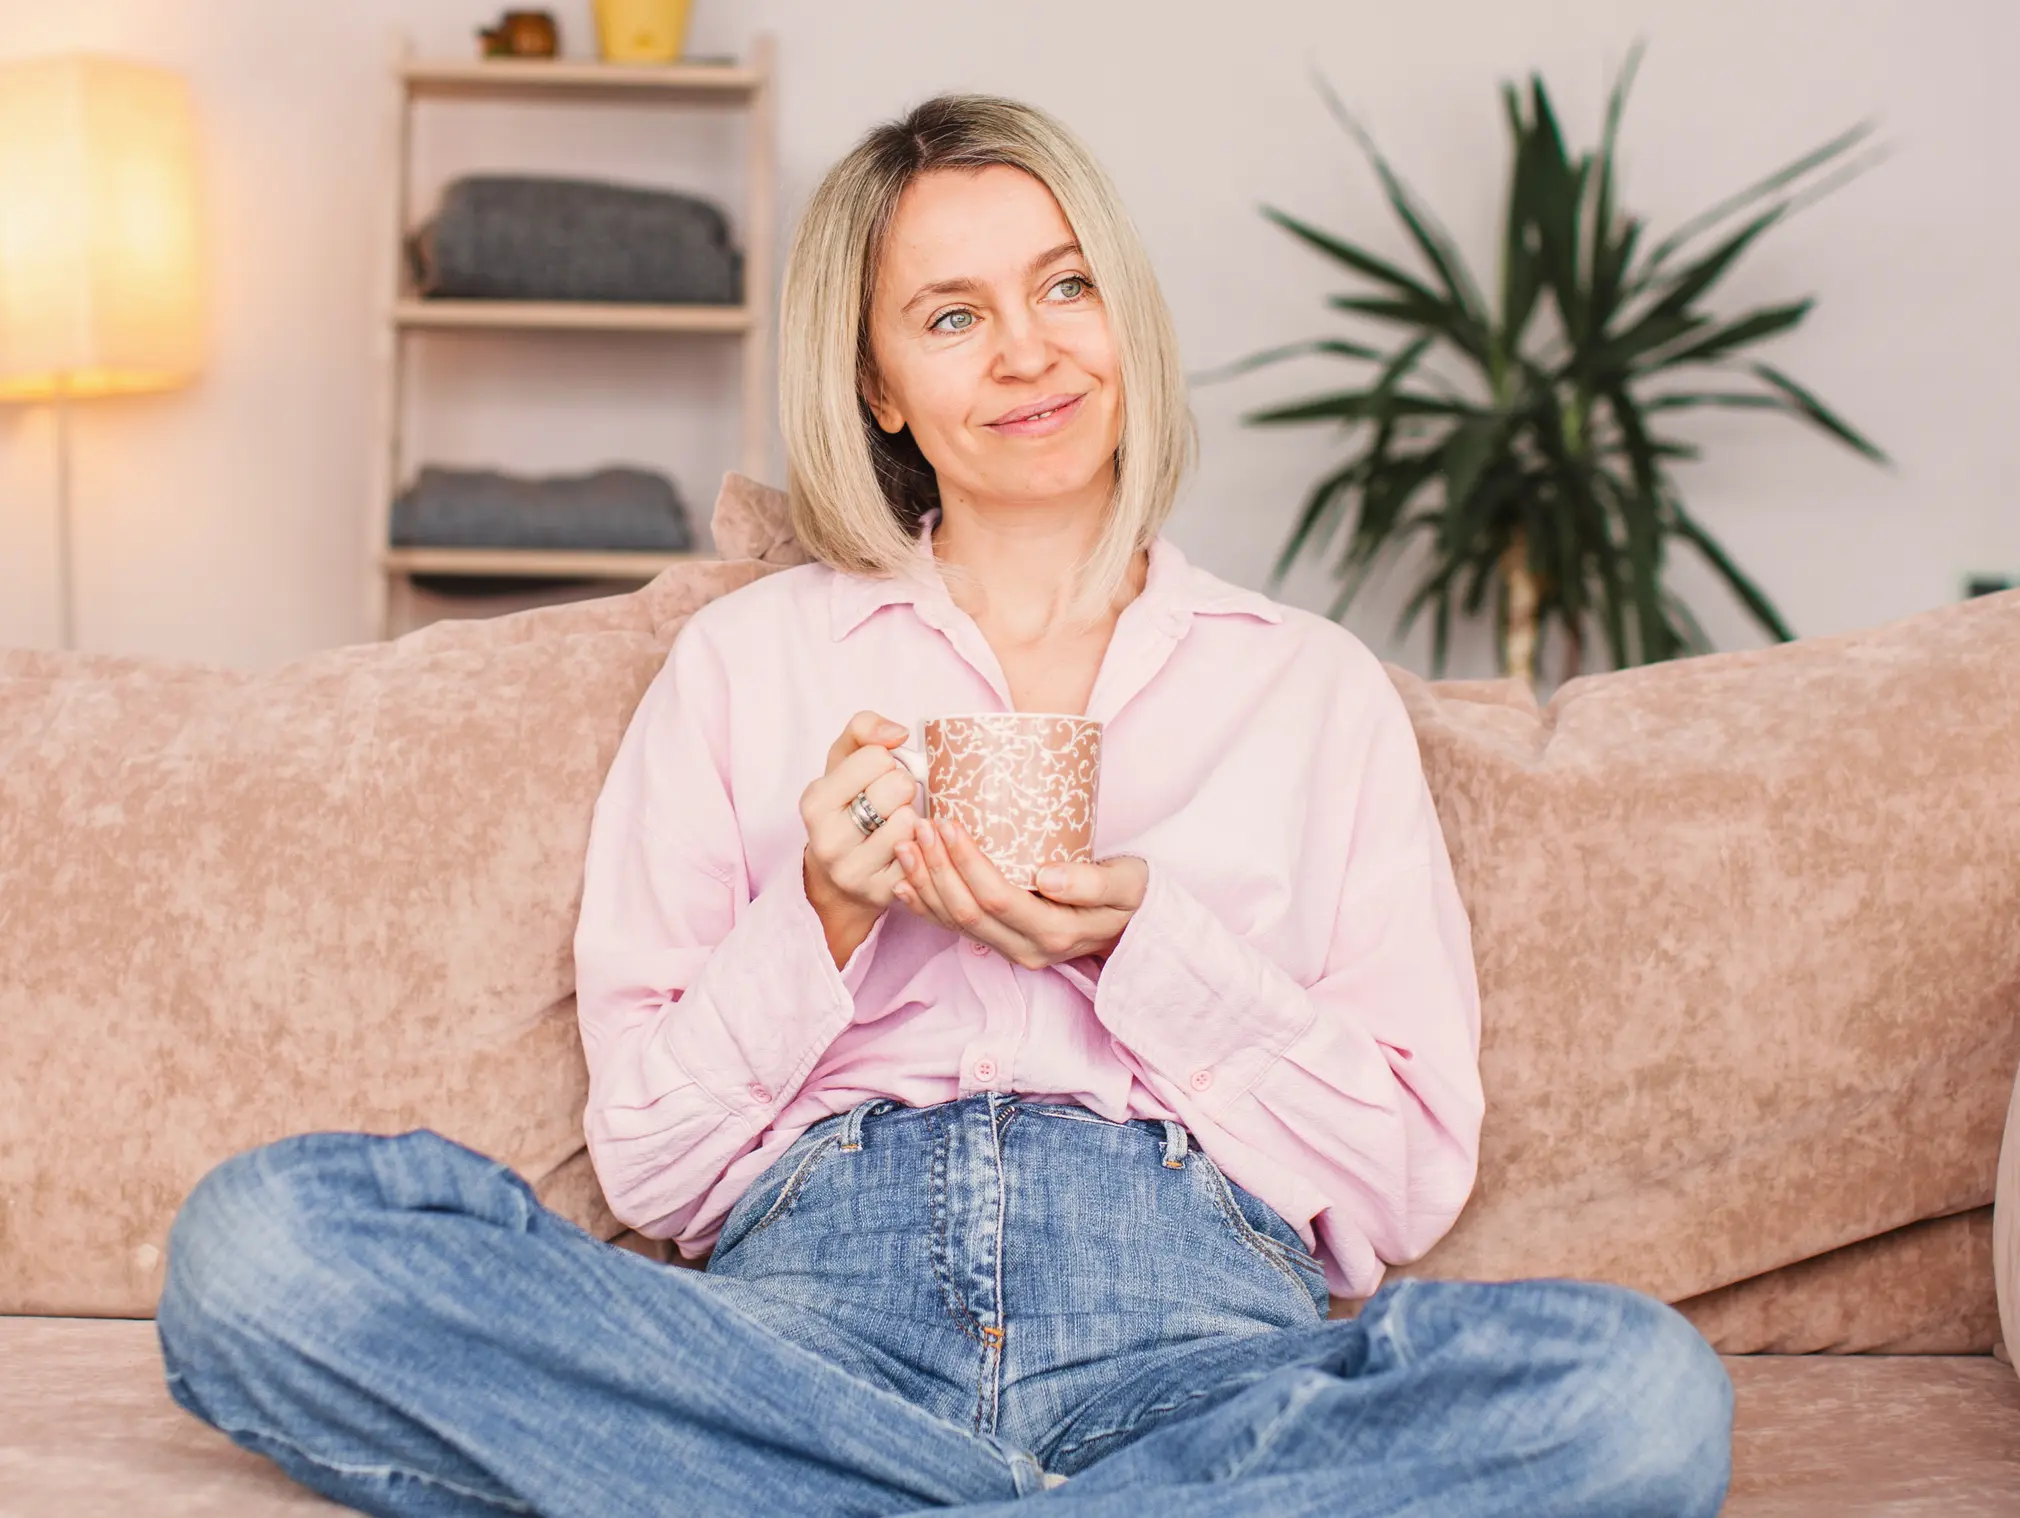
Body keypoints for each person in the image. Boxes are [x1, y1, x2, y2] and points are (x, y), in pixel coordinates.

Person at [155, 92, 1734, 1517]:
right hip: (795, 1351)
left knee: (1631, 1394)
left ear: (1126, 316)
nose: (1031, 351)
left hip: (1193, 1356)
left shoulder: (1312, 691)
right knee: (263, 1247)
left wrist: (1148, 947)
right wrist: (826, 914)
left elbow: (1401, 1177)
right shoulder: (744, 665)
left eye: (1065, 286)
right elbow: (648, 1161)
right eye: (953, 315)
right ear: (881, 386)